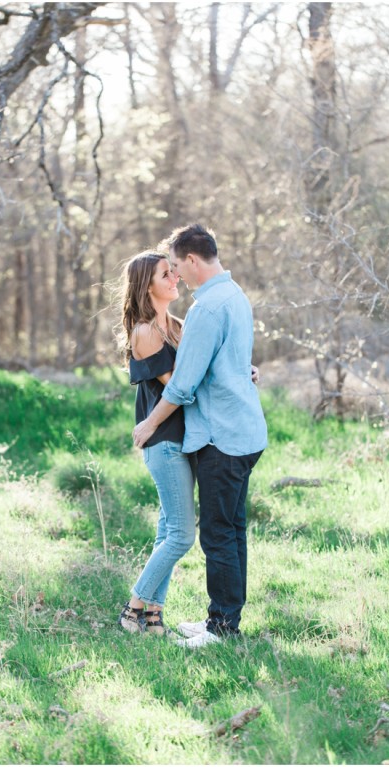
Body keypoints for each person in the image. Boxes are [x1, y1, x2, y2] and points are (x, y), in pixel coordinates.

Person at [132, 223, 267, 649]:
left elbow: (185, 383)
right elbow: (226, 359)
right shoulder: (235, 296)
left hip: (222, 437)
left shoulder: (206, 310)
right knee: (232, 529)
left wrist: (149, 423)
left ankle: (222, 627)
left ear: (192, 260)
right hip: (243, 430)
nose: (178, 276)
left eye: (176, 267)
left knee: (218, 534)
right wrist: (240, 371)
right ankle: (224, 619)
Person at [115, 251, 195, 636]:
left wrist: (241, 370)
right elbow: (181, 385)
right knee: (182, 534)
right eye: (166, 274)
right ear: (147, 285)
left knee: (167, 531)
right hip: (163, 442)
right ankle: (133, 607)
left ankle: (153, 615)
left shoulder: (178, 325)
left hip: (186, 439)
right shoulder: (145, 332)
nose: (174, 277)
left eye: (174, 272)